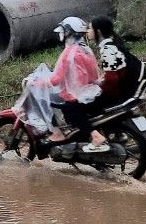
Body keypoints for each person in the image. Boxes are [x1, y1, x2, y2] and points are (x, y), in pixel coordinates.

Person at [40, 16, 108, 152]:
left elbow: (55, 80)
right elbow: (94, 76)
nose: (61, 34)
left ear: (68, 33)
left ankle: (91, 136)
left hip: (77, 95)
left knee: (61, 107)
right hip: (91, 92)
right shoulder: (86, 50)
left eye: (63, 31)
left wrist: (37, 83)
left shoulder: (68, 53)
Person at [89, 16, 143, 109]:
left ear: (98, 32)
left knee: (76, 107)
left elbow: (112, 79)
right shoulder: (113, 45)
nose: (88, 31)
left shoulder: (107, 49)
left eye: (90, 28)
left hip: (119, 95)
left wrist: (100, 88)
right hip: (127, 90)